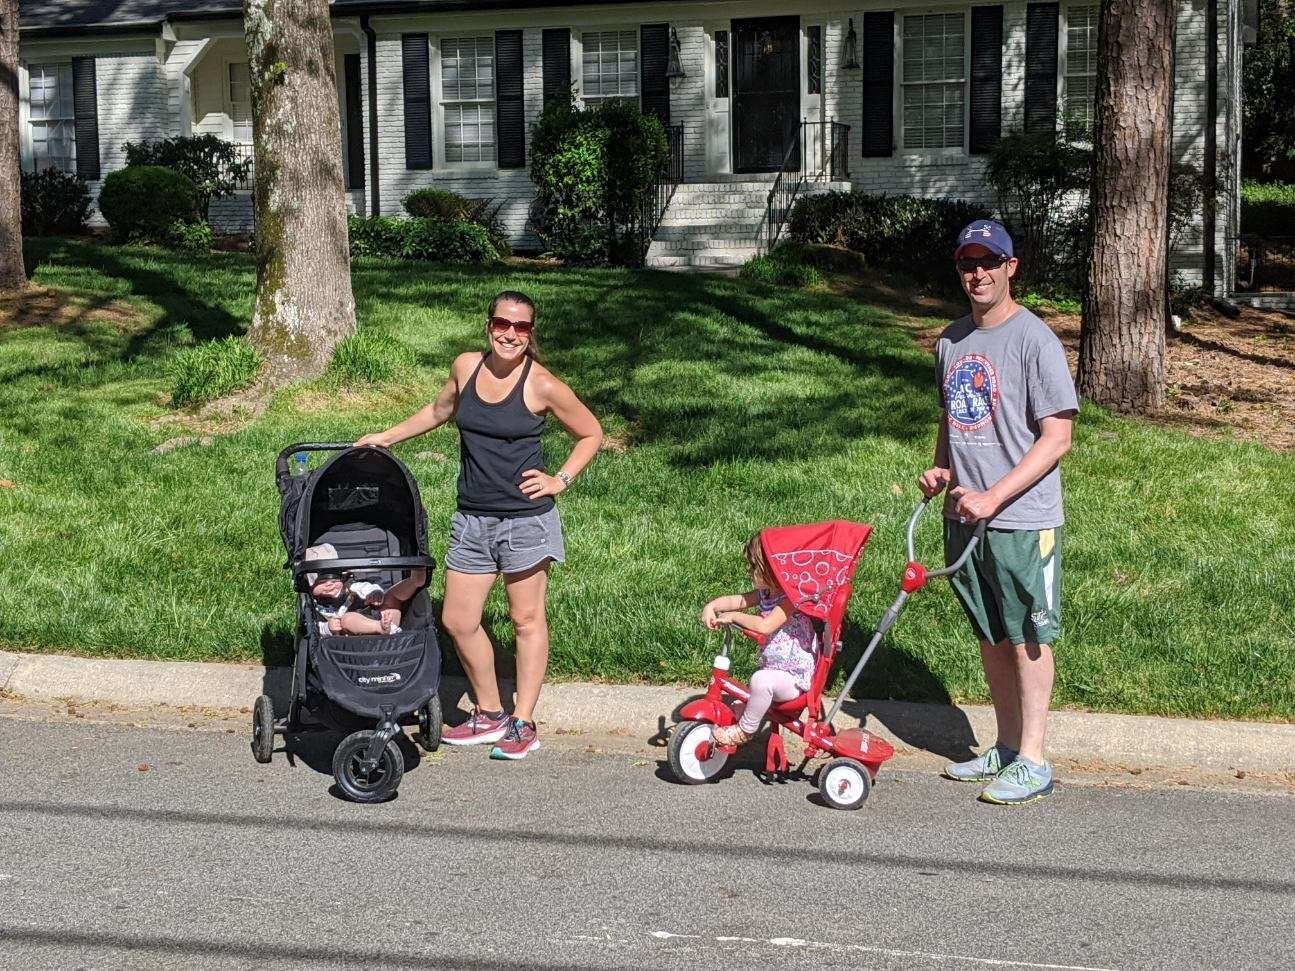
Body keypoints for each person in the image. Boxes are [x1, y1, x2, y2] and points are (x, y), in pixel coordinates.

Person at [357, 291, 603, 760]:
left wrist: (560, 479)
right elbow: (439, 411)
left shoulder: (542, 384)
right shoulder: (466, 366)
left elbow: (591, 432)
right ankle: (489, 713)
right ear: (488, 325)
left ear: (531, 334)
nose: (510, 333)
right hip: (472, 518)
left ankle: (523, 721)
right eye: (502, 323)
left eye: (521, 327)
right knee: (458, 619)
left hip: (526, 522)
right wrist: (386, 437)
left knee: (525, 620)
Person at [919, 219, 1078, 805]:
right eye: (967, 262)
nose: (977, 272)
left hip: (1020, 517)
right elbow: (952, 417)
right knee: (991, 633)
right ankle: (1007, 747)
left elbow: (1057, 437)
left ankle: (1034, 759)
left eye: (990, 261)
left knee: (1028, 636)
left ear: (1011, 267)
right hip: (964, 515)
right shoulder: (952, 339)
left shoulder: (1034, 340)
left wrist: (995, 495)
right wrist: (943, 468)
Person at [700, 534, 817, 747]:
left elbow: (766, 625)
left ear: (774, 569)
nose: (749, 570)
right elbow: (739, 599)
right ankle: (746, 710)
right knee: (756, 685)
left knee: (760, 682)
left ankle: (745, 730)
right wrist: (713, 606)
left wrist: (734, 616)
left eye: (755, 566)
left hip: (793, 678)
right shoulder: (766, 593)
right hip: (777, 669)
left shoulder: (791, 600)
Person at [304, 542, 425, 636]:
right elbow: (310, 626)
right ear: (310, 585)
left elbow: (366, 587)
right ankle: (381, 629)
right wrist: (327, 628)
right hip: (360, 631)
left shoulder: (350, 587)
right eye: (322, 582)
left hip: (384, 617)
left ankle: (415, 581)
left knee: (391, 595)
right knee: (346, 619)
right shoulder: (313, 603)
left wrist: (375, 593)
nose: (330, 585)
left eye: (335, 580)